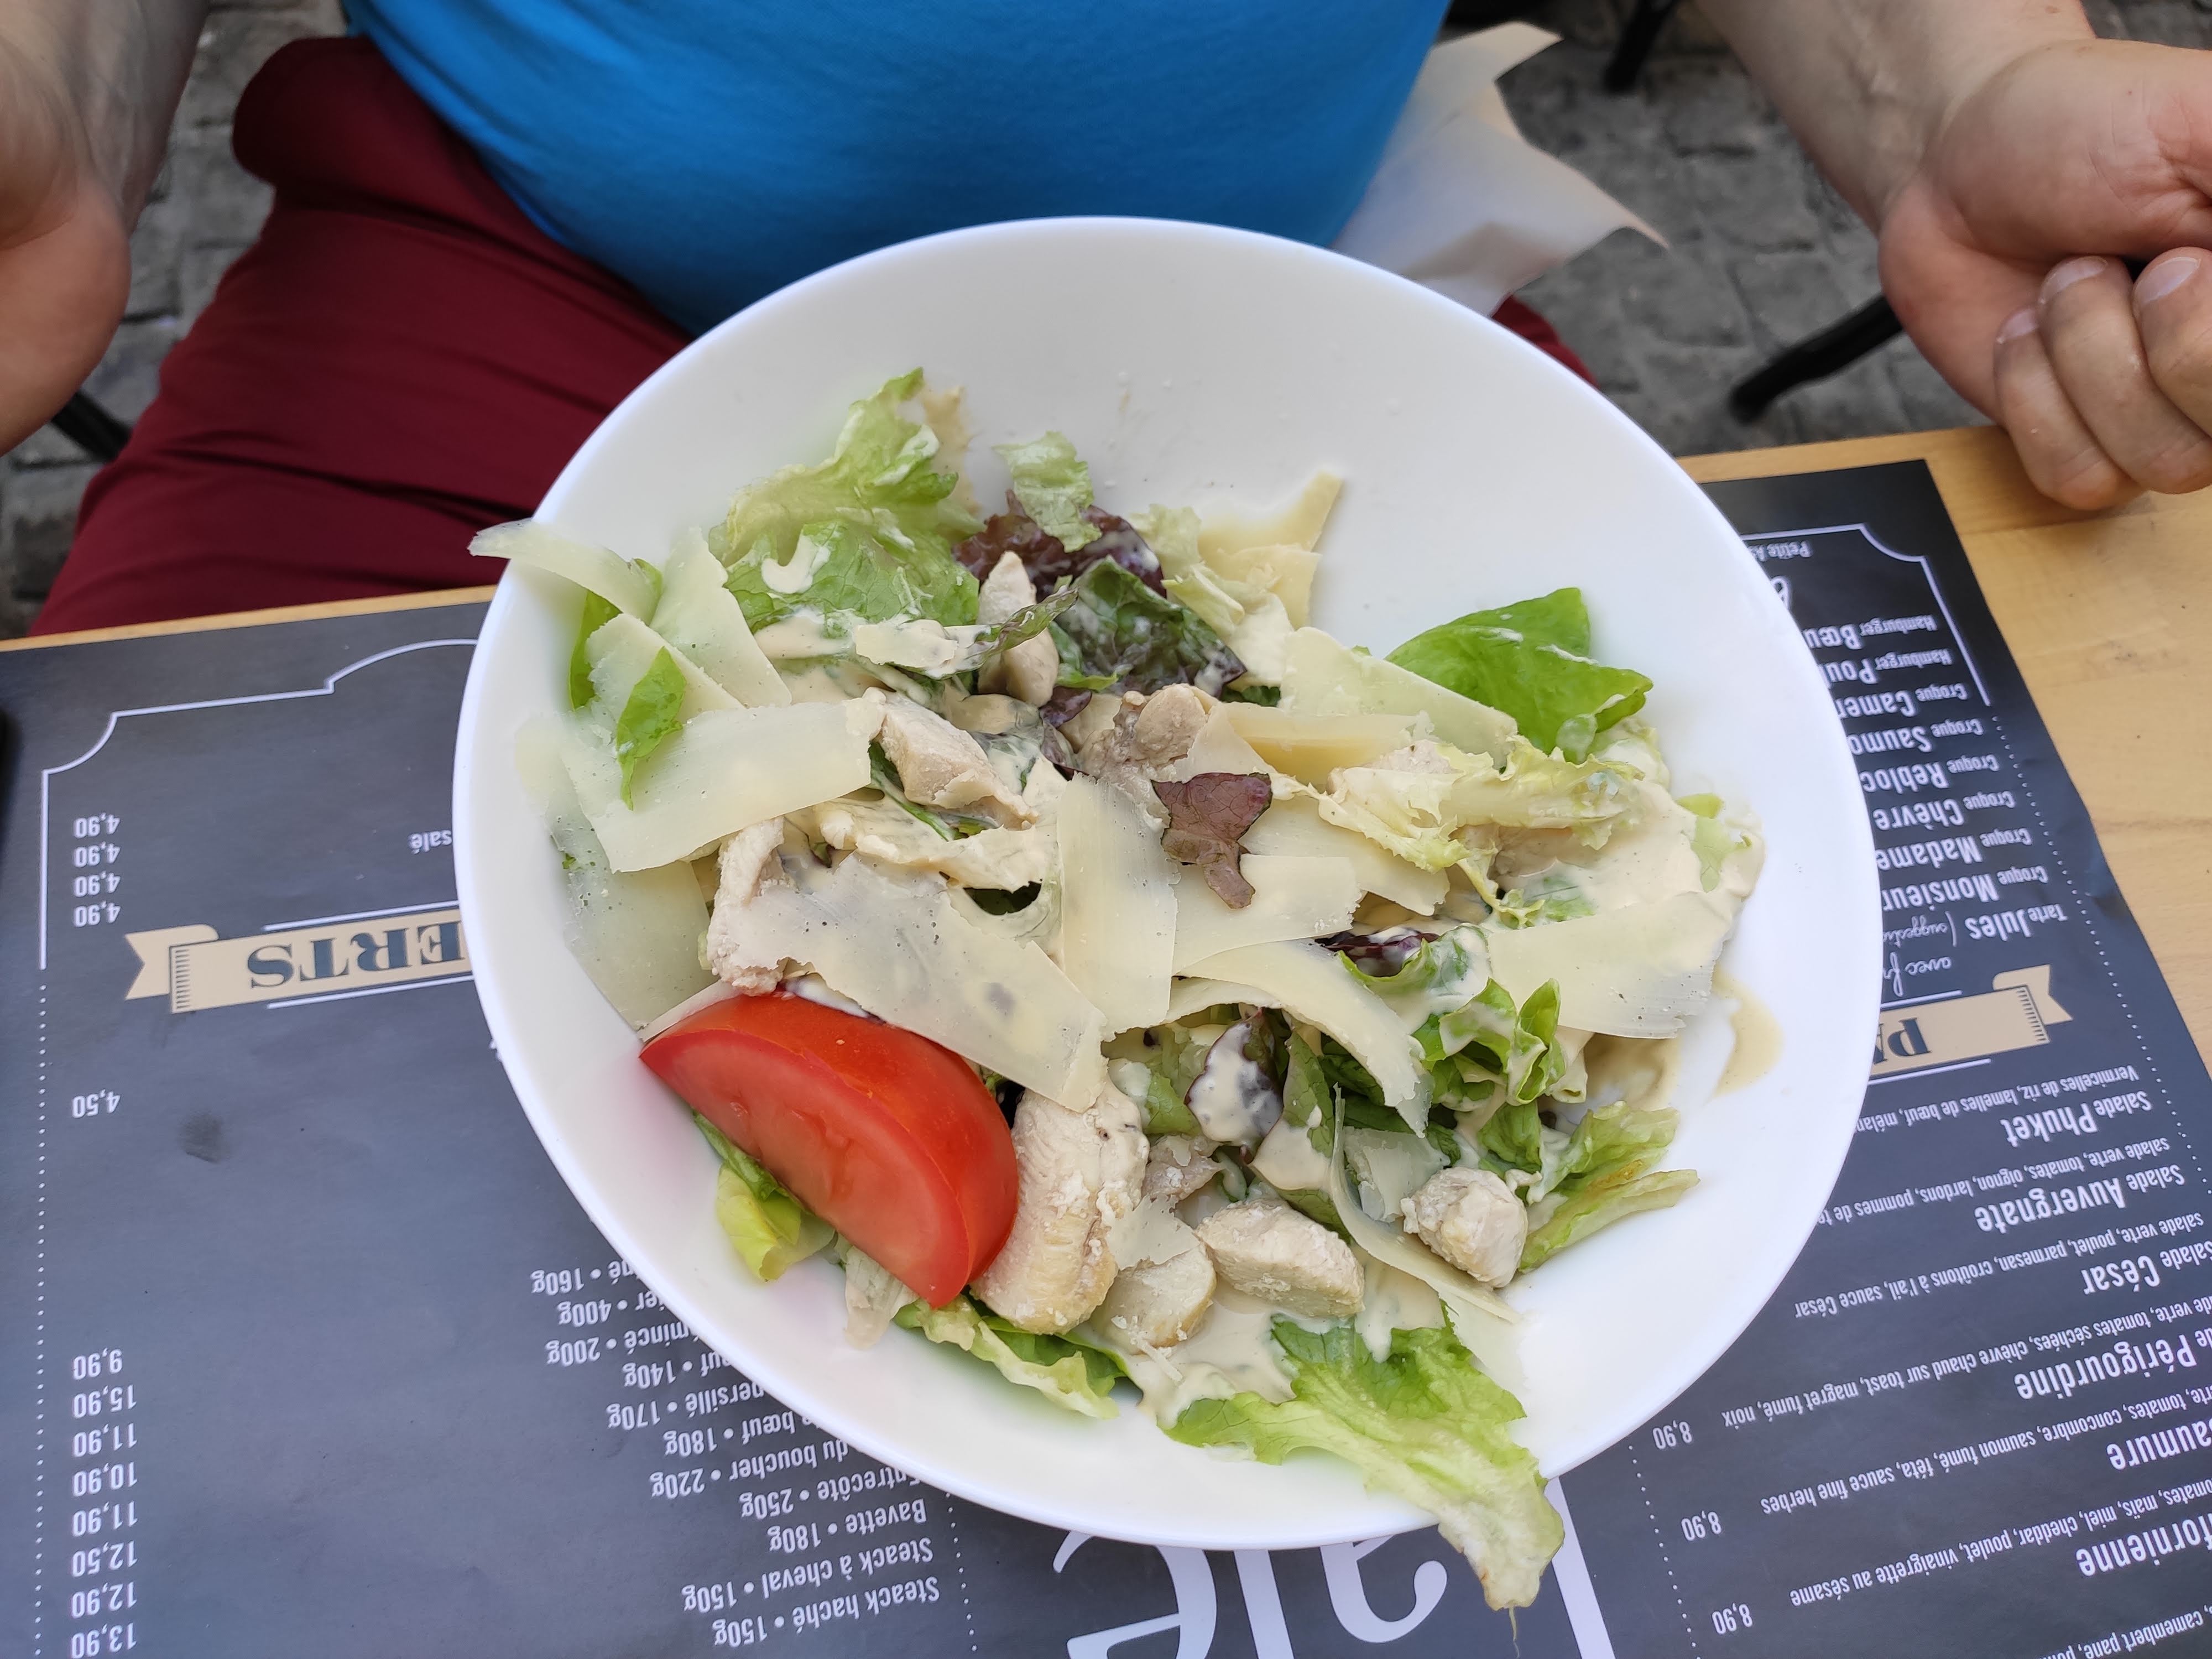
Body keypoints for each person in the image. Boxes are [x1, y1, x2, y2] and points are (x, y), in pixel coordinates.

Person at [2, 1, 2208, 634]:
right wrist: (54, 106)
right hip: (507, 249)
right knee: (165, 1015)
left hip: (1292, 306)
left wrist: (1958, 91)